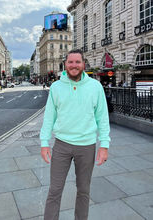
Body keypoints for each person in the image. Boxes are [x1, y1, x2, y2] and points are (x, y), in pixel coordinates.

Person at [40, 49, 110, 220]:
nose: (74, 65)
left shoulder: (95, 86)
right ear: (65, 64)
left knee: (84, 191)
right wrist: (44, 142)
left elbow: (102, 117)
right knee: (55, 190)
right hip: (62, 145)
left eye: (77, 62)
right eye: (70, 62)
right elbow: (49, 117)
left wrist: (104, 145)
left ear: (83, 64)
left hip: (87, 146)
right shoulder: (56, 87)